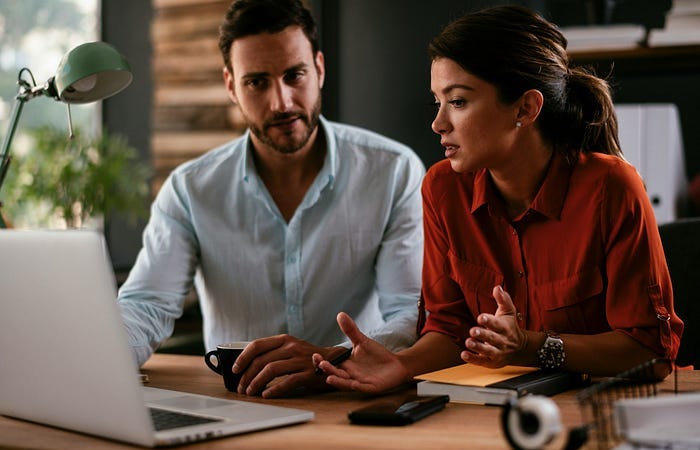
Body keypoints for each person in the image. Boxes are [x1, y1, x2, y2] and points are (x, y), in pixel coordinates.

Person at [314, 5, 684, 393]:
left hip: (602, 409)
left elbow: (652, 354)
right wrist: (400, 365)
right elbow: (449, 331)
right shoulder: (442, 188)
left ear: (525, 108)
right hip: (487, 411)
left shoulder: (611, 187)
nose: (438, 123)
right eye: (436, 102)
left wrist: (531, 346)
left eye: (457, 102)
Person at [117, 0, 425, 398]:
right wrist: (92, 360)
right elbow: (146, 305)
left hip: (348, 396)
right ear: (231, 86)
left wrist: (332, 358)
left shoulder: (393, 172)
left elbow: (409, 310)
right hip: (236, 402)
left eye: (294, 75)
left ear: (320, 69)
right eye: (257, 82)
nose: (281, 102)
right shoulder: (190, 189)